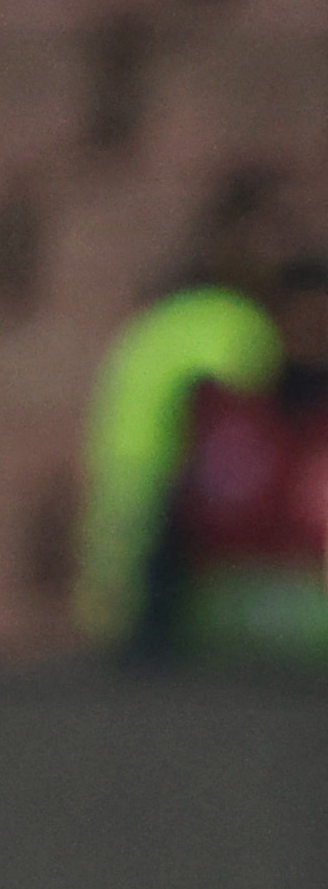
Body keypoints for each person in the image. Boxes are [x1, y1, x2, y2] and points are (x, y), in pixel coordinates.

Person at [75, 168, 310, 659]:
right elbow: (246, 458)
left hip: (120, 571)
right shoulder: (232, 327)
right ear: (236, 235)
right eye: (276, 230)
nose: (289, 248)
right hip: (177, 568)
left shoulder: (165, 315)